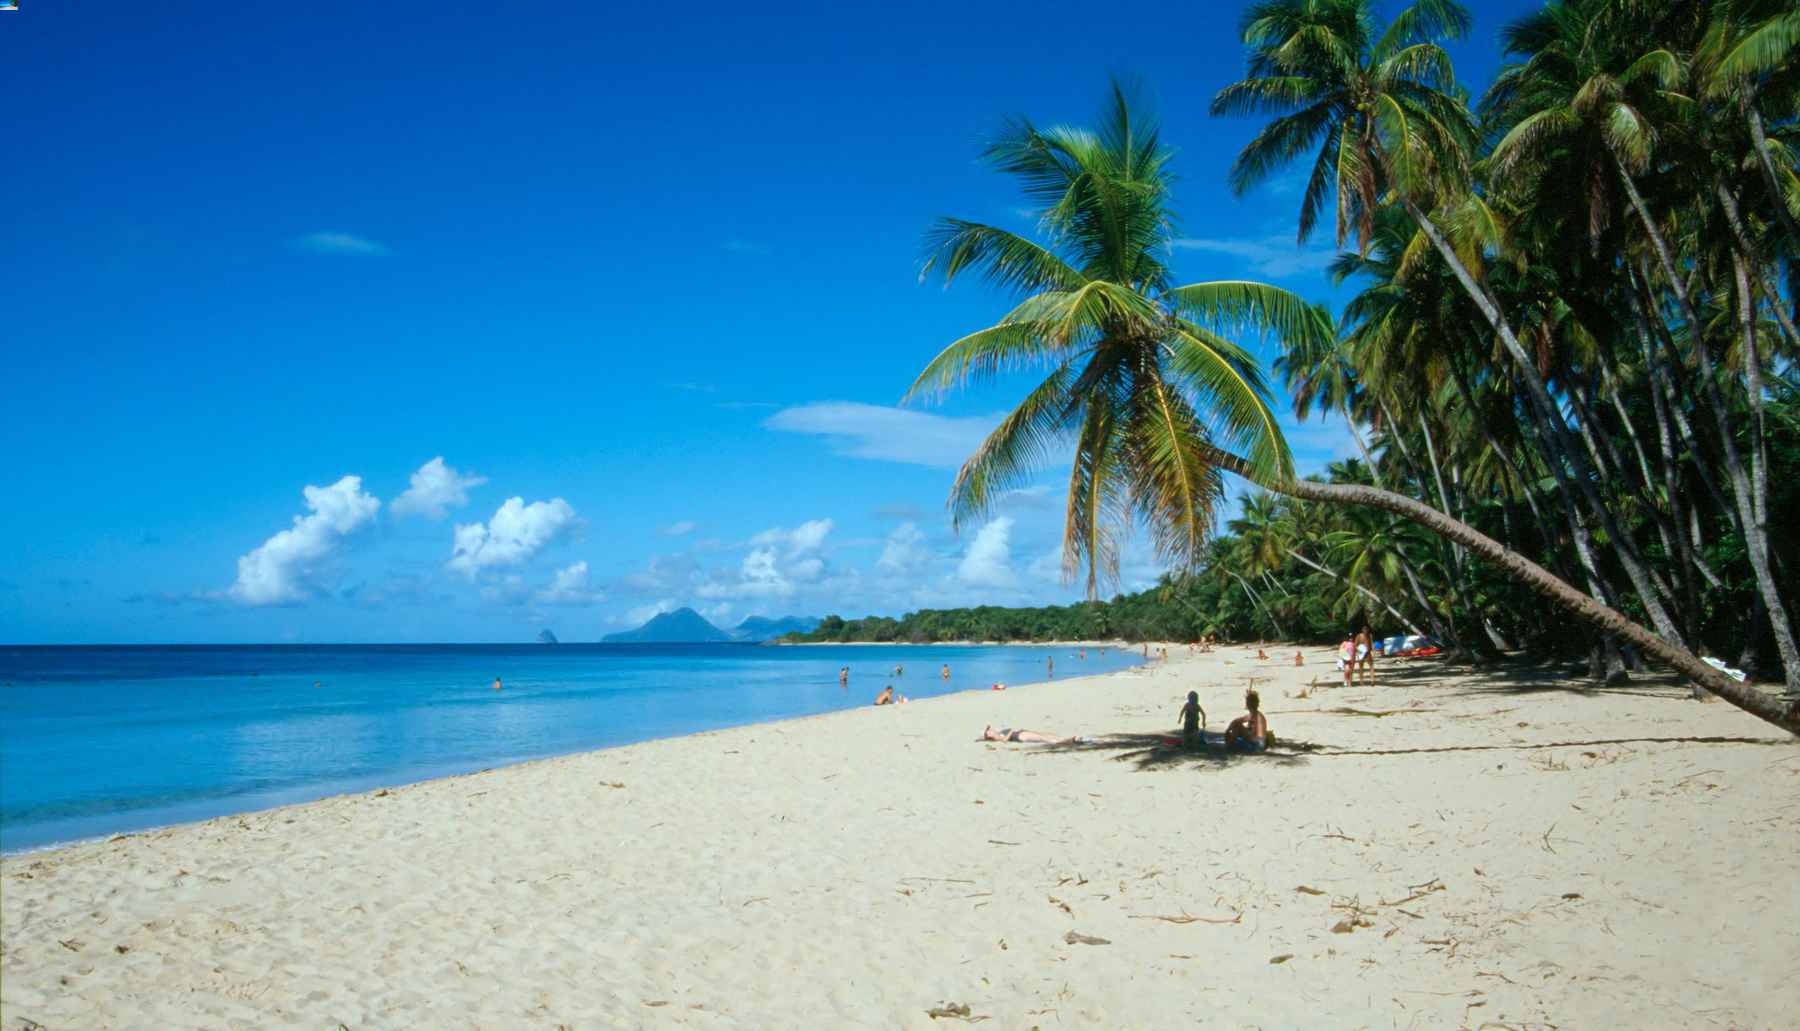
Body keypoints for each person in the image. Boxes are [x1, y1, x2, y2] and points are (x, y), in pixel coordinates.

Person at [981, 725, 1081, 745]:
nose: (991, 729)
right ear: (989, 735)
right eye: (989, 730)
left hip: (1022, 732)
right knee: (1043, 738)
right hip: (1020, 736)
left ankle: (1065, 739)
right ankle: (1066, 741)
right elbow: (1005, 740)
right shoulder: (997, 736)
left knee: (1045, 734)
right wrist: (1011, 731)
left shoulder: (999, 732)